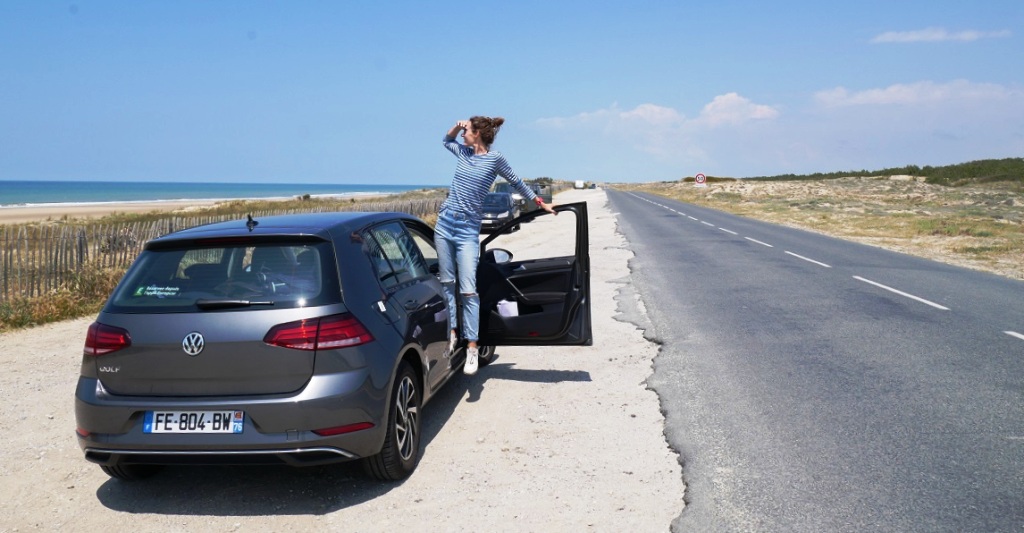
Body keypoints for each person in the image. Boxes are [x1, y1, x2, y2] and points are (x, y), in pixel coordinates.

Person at [436, 116, 555, 375]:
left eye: (467, 130)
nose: (464, 134)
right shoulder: (463, 151)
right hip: (444, 223)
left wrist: (540, 203)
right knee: (447, 283)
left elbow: (516, 181)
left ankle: (472, 347)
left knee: (468, 290)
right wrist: (458, 125)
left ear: (477, 133)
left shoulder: (495, 159)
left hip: (468, 229)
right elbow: (446, 140)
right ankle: (453, 332)